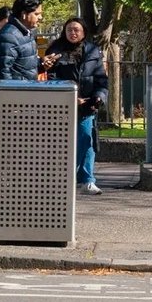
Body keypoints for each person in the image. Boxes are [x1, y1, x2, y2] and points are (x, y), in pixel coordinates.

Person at [0, 0, 45, 195]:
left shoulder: (23, 34)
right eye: (37, 13)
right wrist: (10, 102)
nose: (40, 17)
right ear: (24, 14)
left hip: (24, 97)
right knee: (11, 143)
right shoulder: (9, 36)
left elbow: (22, 65)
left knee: (15, 145)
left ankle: (3, 179)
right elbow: (2, 73)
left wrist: (40, 65)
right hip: (16, 100)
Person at [45, 17, 110, 194]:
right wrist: (70, 97)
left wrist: (98, 96)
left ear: (83, 32)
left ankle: (87, 180)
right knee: (61, 144)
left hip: (87, 106)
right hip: (61, 107)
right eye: (69, 30)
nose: (72, 33)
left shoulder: (93, 51)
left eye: (76, 30)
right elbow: (51, 79)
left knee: (86, 140)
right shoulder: (55, 51)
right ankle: (62, 178)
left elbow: (101, 79)